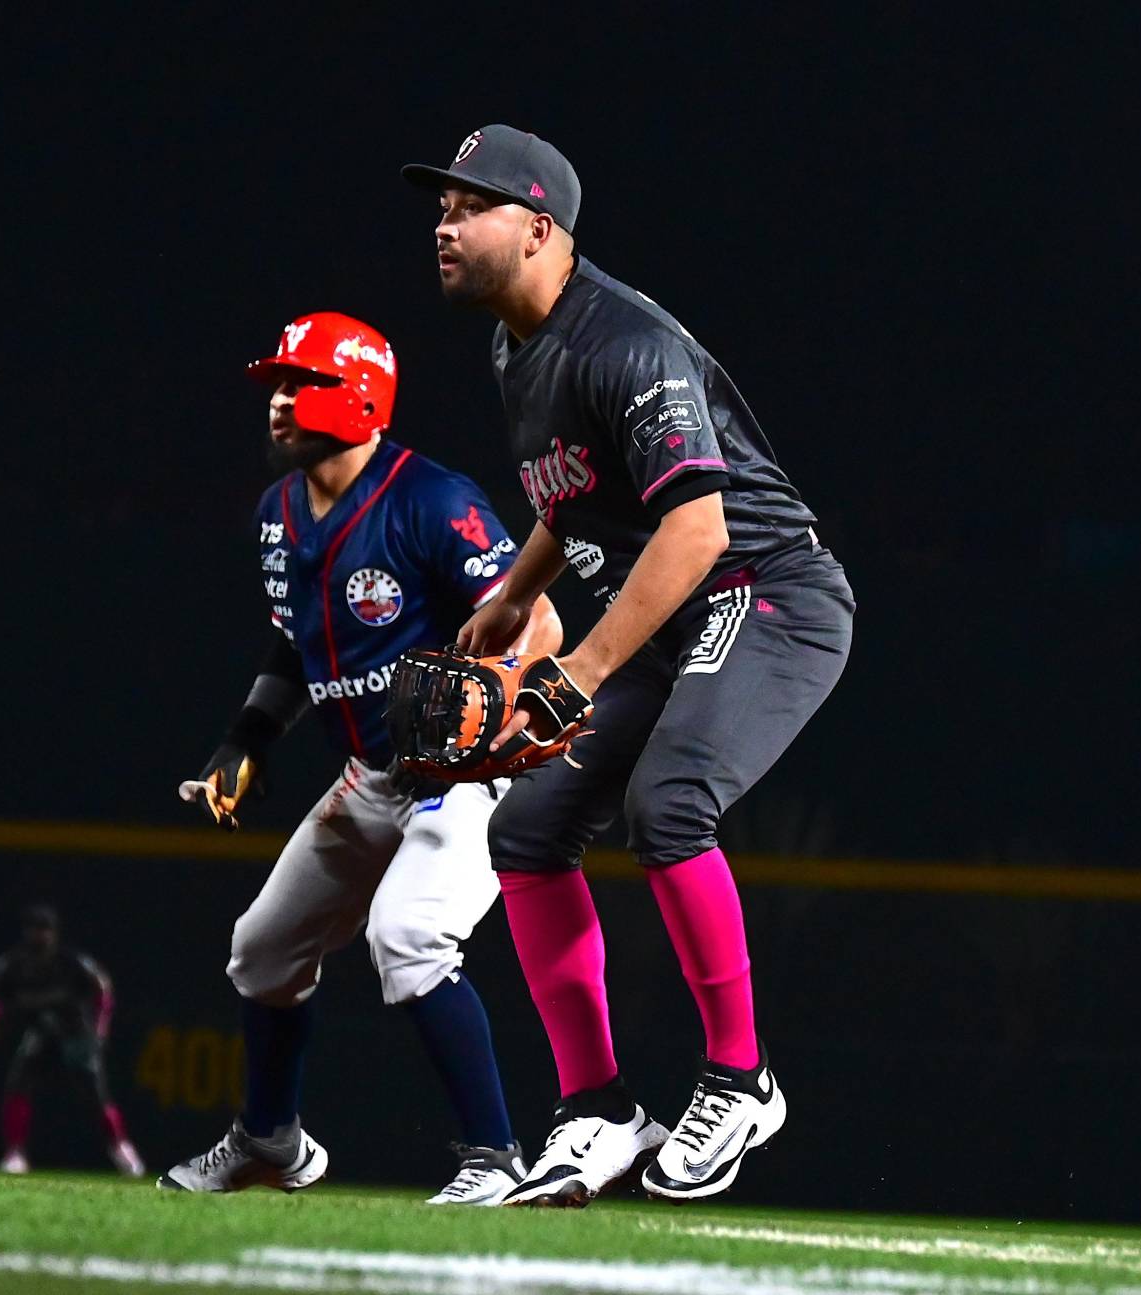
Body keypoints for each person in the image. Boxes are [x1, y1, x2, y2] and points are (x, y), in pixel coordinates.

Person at [400, 125, 856, 1205]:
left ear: (540, 226)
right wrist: (515, 587)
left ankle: (740, 1078)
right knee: (527, 830)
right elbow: (579, 492)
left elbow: (695, 531)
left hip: (767, 591)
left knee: (669, 804)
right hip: (671, 614)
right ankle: (597, 1109)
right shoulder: (517, 342)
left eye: (469, 206)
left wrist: (575, 671)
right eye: (441, 205)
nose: (444, 222)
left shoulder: (624, 342)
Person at [155, 312, 562, 1205]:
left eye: (302, 383)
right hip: (371, 775)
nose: (280, 400)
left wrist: (499, 696)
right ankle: (270, 1138)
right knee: (259, 951)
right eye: (278, 384)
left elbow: (539, 619)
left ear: (363, 397)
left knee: (409, 938)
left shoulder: (430, 500)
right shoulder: (277, 514)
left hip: (464, 778)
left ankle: (496, 1158)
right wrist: (244, 744)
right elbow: (296, 651)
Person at [0, 904, 145, 1176]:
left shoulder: (70, 962)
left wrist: (101, 1027)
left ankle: (121, 1148)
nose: (39, 936)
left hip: (76, 1032)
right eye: (34, 930)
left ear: (54, 934)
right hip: (42, 1032)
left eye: (44, 930)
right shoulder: (13, 965)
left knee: (94, 1095)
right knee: (19, 1083)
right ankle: (15, 1154)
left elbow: (102, 987)